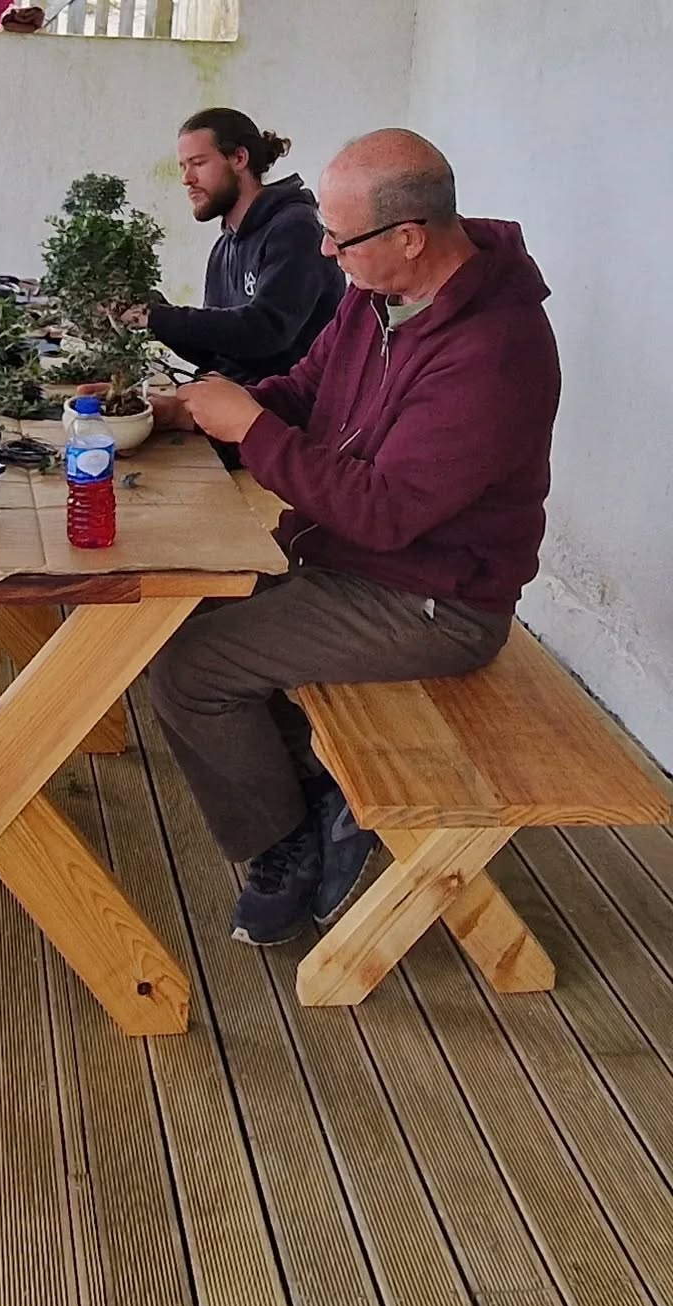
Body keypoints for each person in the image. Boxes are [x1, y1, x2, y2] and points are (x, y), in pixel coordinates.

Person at [143, 129, 560, 946]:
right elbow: (305, 389)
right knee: (176, 610)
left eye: (340, 236)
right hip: (346, 562)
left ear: (408, 236)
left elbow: (383, 512)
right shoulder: (381, 296)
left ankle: (282, 845)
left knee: (191, 670)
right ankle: (322, 794)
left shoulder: (494, 348)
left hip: (435, 601)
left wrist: (252, 429)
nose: (326, 250)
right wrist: (194, 411)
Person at [146, 110, 344, 466]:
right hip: (230, 415)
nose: (186, 179)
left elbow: (267, 331)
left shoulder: (295, 230)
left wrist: (160, 319)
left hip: (281, 435)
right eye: (181, 166)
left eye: (198, 163)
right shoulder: (224, 247)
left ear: (239, 158)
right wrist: (149, 317)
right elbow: (224, 350)